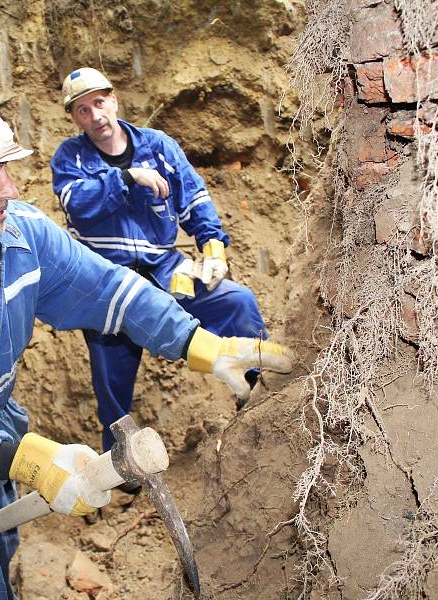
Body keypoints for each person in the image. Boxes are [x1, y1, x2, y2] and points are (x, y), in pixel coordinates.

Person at [0, 92, 292, 600]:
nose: (9, 188)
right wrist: (34, 460)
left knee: (0, 544)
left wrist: (201, 345)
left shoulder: (21, 237)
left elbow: (109, 291)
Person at [51, 67, 275, 452]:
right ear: (74, 117)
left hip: (166, 270)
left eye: (99, 103)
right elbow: (78, 205)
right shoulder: (70, 158)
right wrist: (127, 179)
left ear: (114, 98)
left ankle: (263, 395)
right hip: (107, 281)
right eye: (83, 110)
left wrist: (213, 247)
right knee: (111, 383)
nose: (95, 116)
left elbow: (193, 197)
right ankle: (122, 468)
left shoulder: (159, 147)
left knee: (236, 302)